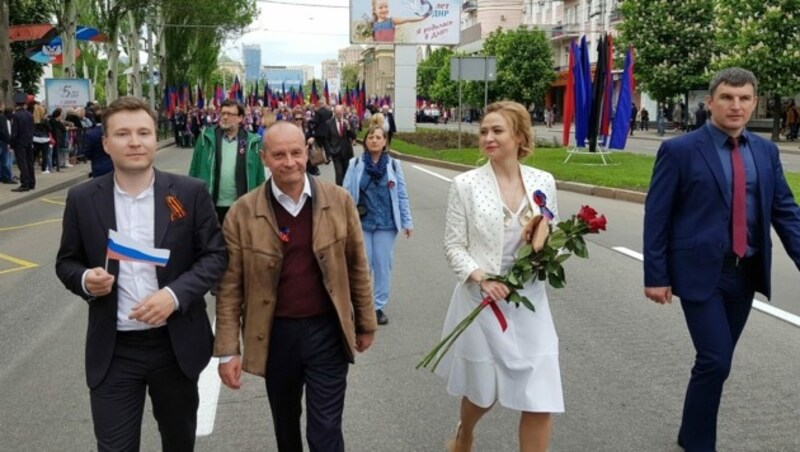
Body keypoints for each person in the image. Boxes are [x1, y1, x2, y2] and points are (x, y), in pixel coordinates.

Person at [55, 96, 228, 451]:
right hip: (115, 349)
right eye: (123, 133)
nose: (134, 141)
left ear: (154, 139)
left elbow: (215, 256)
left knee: (178, 443)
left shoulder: (189, 193)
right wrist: (87, 280)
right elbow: (66, 262)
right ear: (106, 143)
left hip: (174, 345)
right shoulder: (83, 198)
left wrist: (174, 295)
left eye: (143, 133)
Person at [643, 67, 800, 452]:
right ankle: (698, 443)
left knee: (719, 360)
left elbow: (785, 210)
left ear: (753, 102)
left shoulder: (765, 151)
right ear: (710, 102)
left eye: (745, 98)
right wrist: (655, 275)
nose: (737, 106)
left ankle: (689, 431)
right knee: (715, 358)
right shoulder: (679, 150)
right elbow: (658, 216)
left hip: (745, 272)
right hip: (699, 274)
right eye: (728, 97)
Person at [214, 121, 377, 452]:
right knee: (286, 425)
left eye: (296, 152)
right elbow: (230, 287)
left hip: (327, 331)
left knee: (326, 431)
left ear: (308, 152)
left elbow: (357, 266)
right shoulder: (242, 213)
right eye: (279, 155)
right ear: (264, 158)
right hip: (275, 335)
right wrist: (228, 349)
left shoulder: (339, 200)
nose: (289, 162)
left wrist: (365, 321)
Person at [436, 100, 563, 452]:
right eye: (483, 132)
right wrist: (482, 278)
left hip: (529, 300)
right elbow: (453, 247)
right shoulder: (465, 185)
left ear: (519, 136)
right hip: (484, 300)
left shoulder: (543, 182)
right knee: (483, 390)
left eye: (497, 131)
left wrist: (545, 245)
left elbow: (551, 235)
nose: (488, 138)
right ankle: (465, 435)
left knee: (540, 394)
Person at [343, 124, 413, 325]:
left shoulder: (394, 166)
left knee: (383, 266)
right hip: (362, 223)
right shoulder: (355, 163)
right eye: (371, 137)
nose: (374, 140)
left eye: (378, 137)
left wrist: (407, 221)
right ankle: (360, 305)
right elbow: (345, 194)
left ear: (385, 142)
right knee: (363, 265)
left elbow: (401, 195)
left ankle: (378, 306)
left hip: (386, 224)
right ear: (365, 141)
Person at [189, 99, 265, 223]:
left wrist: (260, 204)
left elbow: (260, 177)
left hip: (242, 206)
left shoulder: (252, 142)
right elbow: (193, 170)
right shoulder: (205, 138)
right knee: (212, 241)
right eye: (223, 113)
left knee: (238, 242)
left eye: (229, 114)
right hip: (210, 206)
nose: (224, 117)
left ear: (240, 118)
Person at [325, 104, 357, 186]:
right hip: (335, 152)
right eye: (337, 113)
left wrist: (349, 128)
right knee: (339, 173)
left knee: (347, 172)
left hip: (347, 152)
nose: (339, 115)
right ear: (334, 112)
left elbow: (354, 136)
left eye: (340, 113)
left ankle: (347, 190)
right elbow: (327, 139)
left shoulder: (348, 121)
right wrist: (328, 153)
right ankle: (339, 191)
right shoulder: (329, 123)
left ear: (343, 112)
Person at [10, 93, 35, 192]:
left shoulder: (15, 116)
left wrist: (12, 143)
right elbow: (32, 128)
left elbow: (14, 132)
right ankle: (32, 183)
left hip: (19, 142)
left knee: (22, 163)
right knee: (29, 162)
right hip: (29, 140)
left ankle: (25, 184)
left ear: (16, 104)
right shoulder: (29, 114)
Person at [0, 101, 13, 184]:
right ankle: (7, 177)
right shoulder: (2, 117)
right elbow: (4, 131)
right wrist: (9, 142)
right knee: (4, 161)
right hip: (2, 141)